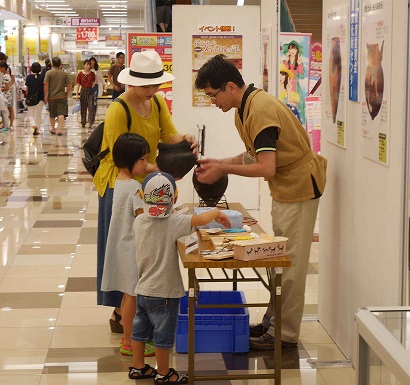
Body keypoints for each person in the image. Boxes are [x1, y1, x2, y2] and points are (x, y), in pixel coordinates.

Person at [194, 54, 327, 350]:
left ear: (230, 86)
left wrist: (224, 169)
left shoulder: (261, 109)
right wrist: (221, 161)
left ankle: (285, 334)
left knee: (290, 264)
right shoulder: (246, 107)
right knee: (280, 261)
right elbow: (257, 154)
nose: (213, 102)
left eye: (213, 95)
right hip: (286, 187)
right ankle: (272, 321)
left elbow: (266, 166)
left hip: (300, 188)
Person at [93, 50, 197, 333]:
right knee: (124, 249)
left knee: (145, 249)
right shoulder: (118, 108)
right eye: (146, 85)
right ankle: (120, 313)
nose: (152, 90)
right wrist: (153, 171)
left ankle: (134, 310)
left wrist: (184, 138)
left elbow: (168, 135)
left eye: (156, 84)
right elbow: (119, 157)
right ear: (131, 82)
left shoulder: (159, 102)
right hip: (121, 185)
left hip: (147, 184)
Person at [129, 171, 231, 382]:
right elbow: (199, 219)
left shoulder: (139, 221)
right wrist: (216, 212)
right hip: (165, 292)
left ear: (141, 195)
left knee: (139, 331)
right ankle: (164, 374)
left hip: (142, 290)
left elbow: (158, 219)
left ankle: (138, 367)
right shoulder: (175, 222)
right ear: (174, 198)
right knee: (163, 336)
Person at [101, 132, 155, 357]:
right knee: (132, 297)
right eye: (142, 159)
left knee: (127, 295)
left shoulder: (120, 182)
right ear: (129, 160)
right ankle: (131, 342)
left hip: (120, 246)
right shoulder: (134, 187)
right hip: (131, 248)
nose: (146, 163)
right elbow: (143, 218)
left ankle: (128, 339)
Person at [44, 57, 72, 136]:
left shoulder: (48, 73)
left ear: (52, 64)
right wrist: (66, 94)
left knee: (52, 114)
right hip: (62, 96)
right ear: (60, 64)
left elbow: (46, 84)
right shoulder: (64, 74)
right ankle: (59, 129)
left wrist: (46, 95)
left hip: (51, 97)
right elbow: (69, 86)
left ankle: (53, 129)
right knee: (61, 113)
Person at [282, 40, 306, 125]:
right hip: (286, 85)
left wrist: (299, 64)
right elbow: (282, 72)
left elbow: (301, 75)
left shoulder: (299, 62)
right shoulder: (285, 62)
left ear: (297, 51)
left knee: (296, 103)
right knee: (285, 102)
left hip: (295, 85)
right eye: (291, 49)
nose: (292, 51)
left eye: (294, 49)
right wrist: (286, 60)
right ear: (288, 50)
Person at [25, 62, 45, 136]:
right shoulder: (42, 76)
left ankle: (33, 125)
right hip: (40, 98)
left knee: (31, 114)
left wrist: (27, 96)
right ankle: (38, 129)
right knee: (38, 114)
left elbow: (27, 88)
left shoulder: (29, 77)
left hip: (31, 98)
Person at [76, 59, 96, 128]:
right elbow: (78, 84)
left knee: (91, 106)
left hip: (90, 91)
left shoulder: (92, 74)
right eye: (87, 65)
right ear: (84, 65)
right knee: (83, 107)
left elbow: (93, 83)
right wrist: (77, 94)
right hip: (83, 90)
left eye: (89, 65)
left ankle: (90, 121)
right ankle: (83, 121)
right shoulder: (80, 74)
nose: (88, 66)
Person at [0, 53, 15, 127]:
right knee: (3, 108)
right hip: (3, 90)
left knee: (10, 107)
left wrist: (8, 88)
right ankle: (4, 123)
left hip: (8, 90)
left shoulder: (9, 67)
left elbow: (13, 80)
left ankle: (11, 124)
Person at [0, 62, 11, 132]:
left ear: (3, 68)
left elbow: (7, 87)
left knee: (4, 111)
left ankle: (6, 126)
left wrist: (1, 89)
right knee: (5, 111)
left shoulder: (5, 77)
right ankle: (5, 125)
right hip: (7, 96)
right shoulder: (8, 75)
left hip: (5, 96)